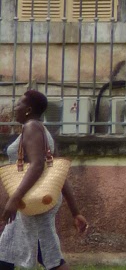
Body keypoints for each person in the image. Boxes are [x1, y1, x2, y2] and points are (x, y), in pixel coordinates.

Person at [0, 91, 87, 270]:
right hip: (36, 199)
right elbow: (57, 174)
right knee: (10, 248)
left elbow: (38, 165)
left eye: (19, 104)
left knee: (46, 252)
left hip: (32, 201)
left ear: (28, 109)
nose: (15, 108)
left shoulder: (31, 127)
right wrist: (75, 212)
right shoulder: (43, 131)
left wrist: (15, 198)